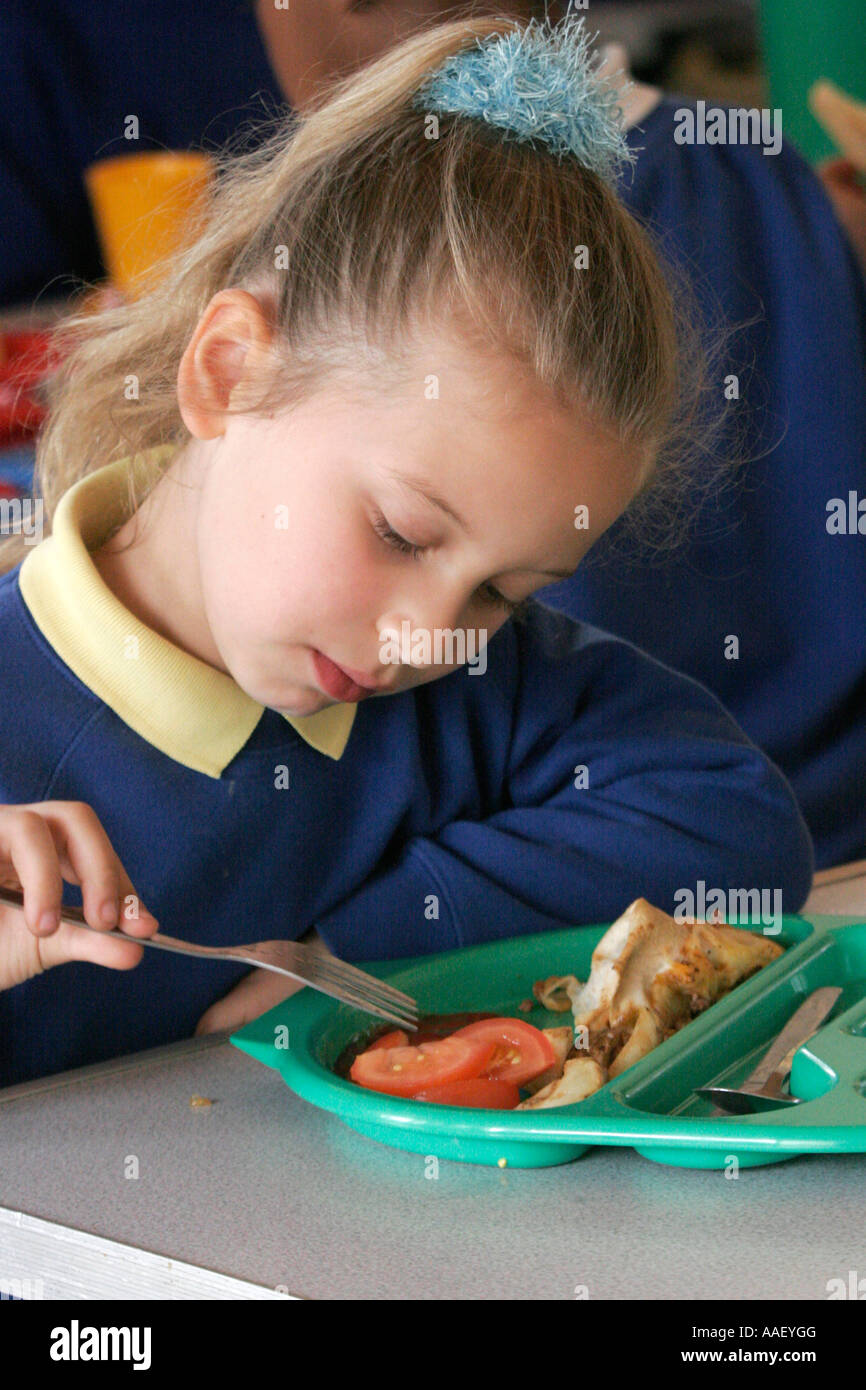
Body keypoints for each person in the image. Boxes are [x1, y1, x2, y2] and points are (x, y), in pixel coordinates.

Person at [0, 16, 811, 1087]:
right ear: (229, 373)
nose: (426, 633)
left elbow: (738, 825)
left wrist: (355, 947)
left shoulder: (471, 689)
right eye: (400, 533)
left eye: (501, 592)